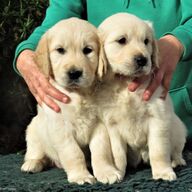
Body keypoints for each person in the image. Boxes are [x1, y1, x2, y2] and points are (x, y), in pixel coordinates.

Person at [13, 0, 192, 138]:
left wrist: (177, 43)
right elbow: (55, 26)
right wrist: (26, 53)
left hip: (174, 118)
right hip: (107, 123)